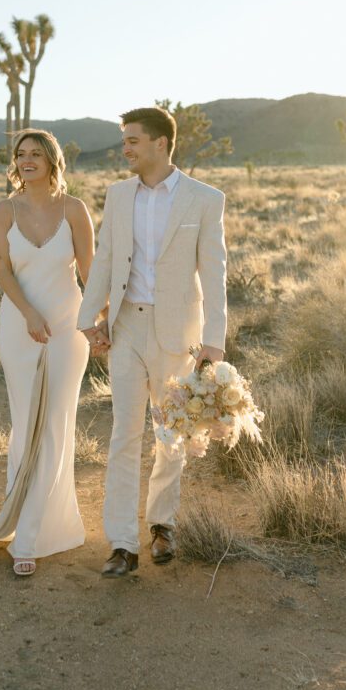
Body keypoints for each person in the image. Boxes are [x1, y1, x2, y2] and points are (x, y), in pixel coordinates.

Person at [77, 106, 227, 577]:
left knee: (171, 432)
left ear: (161, 143)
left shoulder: (204, 199)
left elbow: (216, 274)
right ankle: (122, 542)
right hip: (126, 328)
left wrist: (214, 341)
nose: (125, 148)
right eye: (124, 140)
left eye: (133, 140)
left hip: (178, 334)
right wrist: (90, 318)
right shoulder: (118, 195)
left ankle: (162, 523)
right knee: (124, 434)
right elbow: (104, 261)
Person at [0, 130, 94, 576]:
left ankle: (38, 533)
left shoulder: (74, 209)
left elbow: (89, 270)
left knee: (57, 422)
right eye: (20, 154)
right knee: (26, 421)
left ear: (52, 159)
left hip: (66, 325)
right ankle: (19, 518)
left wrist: (95, 323)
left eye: (35, 153)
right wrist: (28, 314)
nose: (26, 160)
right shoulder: (6, 209)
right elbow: (2, 267)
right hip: (19, 324)